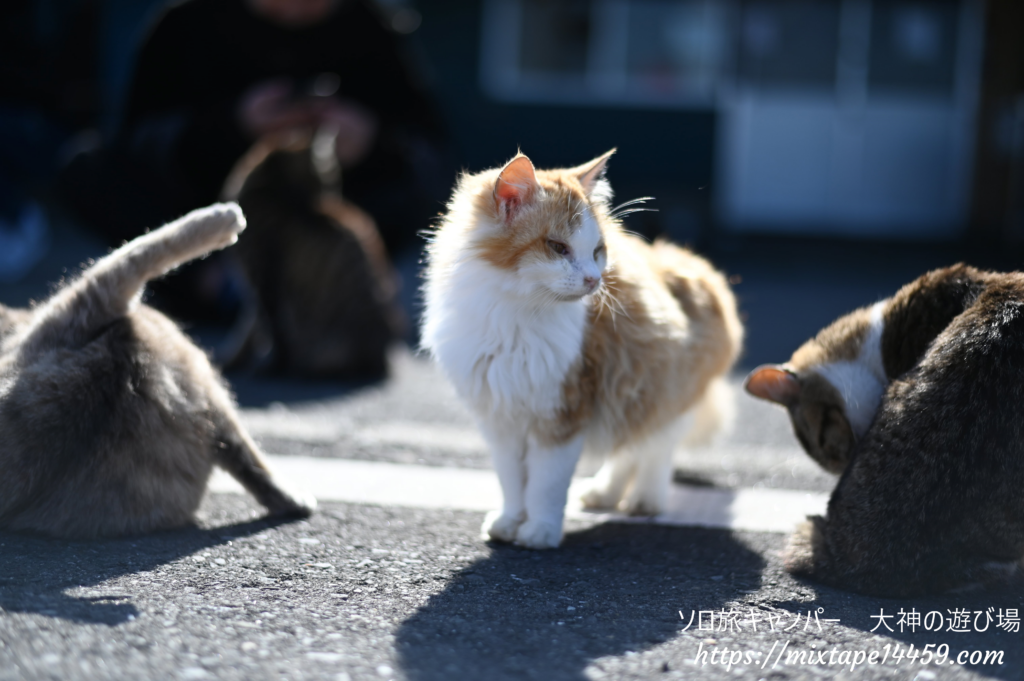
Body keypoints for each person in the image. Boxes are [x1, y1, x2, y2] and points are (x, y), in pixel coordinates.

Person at [62, 0, 451, 317]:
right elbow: (136, 141)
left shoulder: (371, 29)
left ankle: (328, 286)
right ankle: (212, 285)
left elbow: (431, 155)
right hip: (206, 220)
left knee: (419, 189)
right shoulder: (185, 23)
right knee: (86, 169)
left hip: (325, 223)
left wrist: (371, 145)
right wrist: (234, 125)